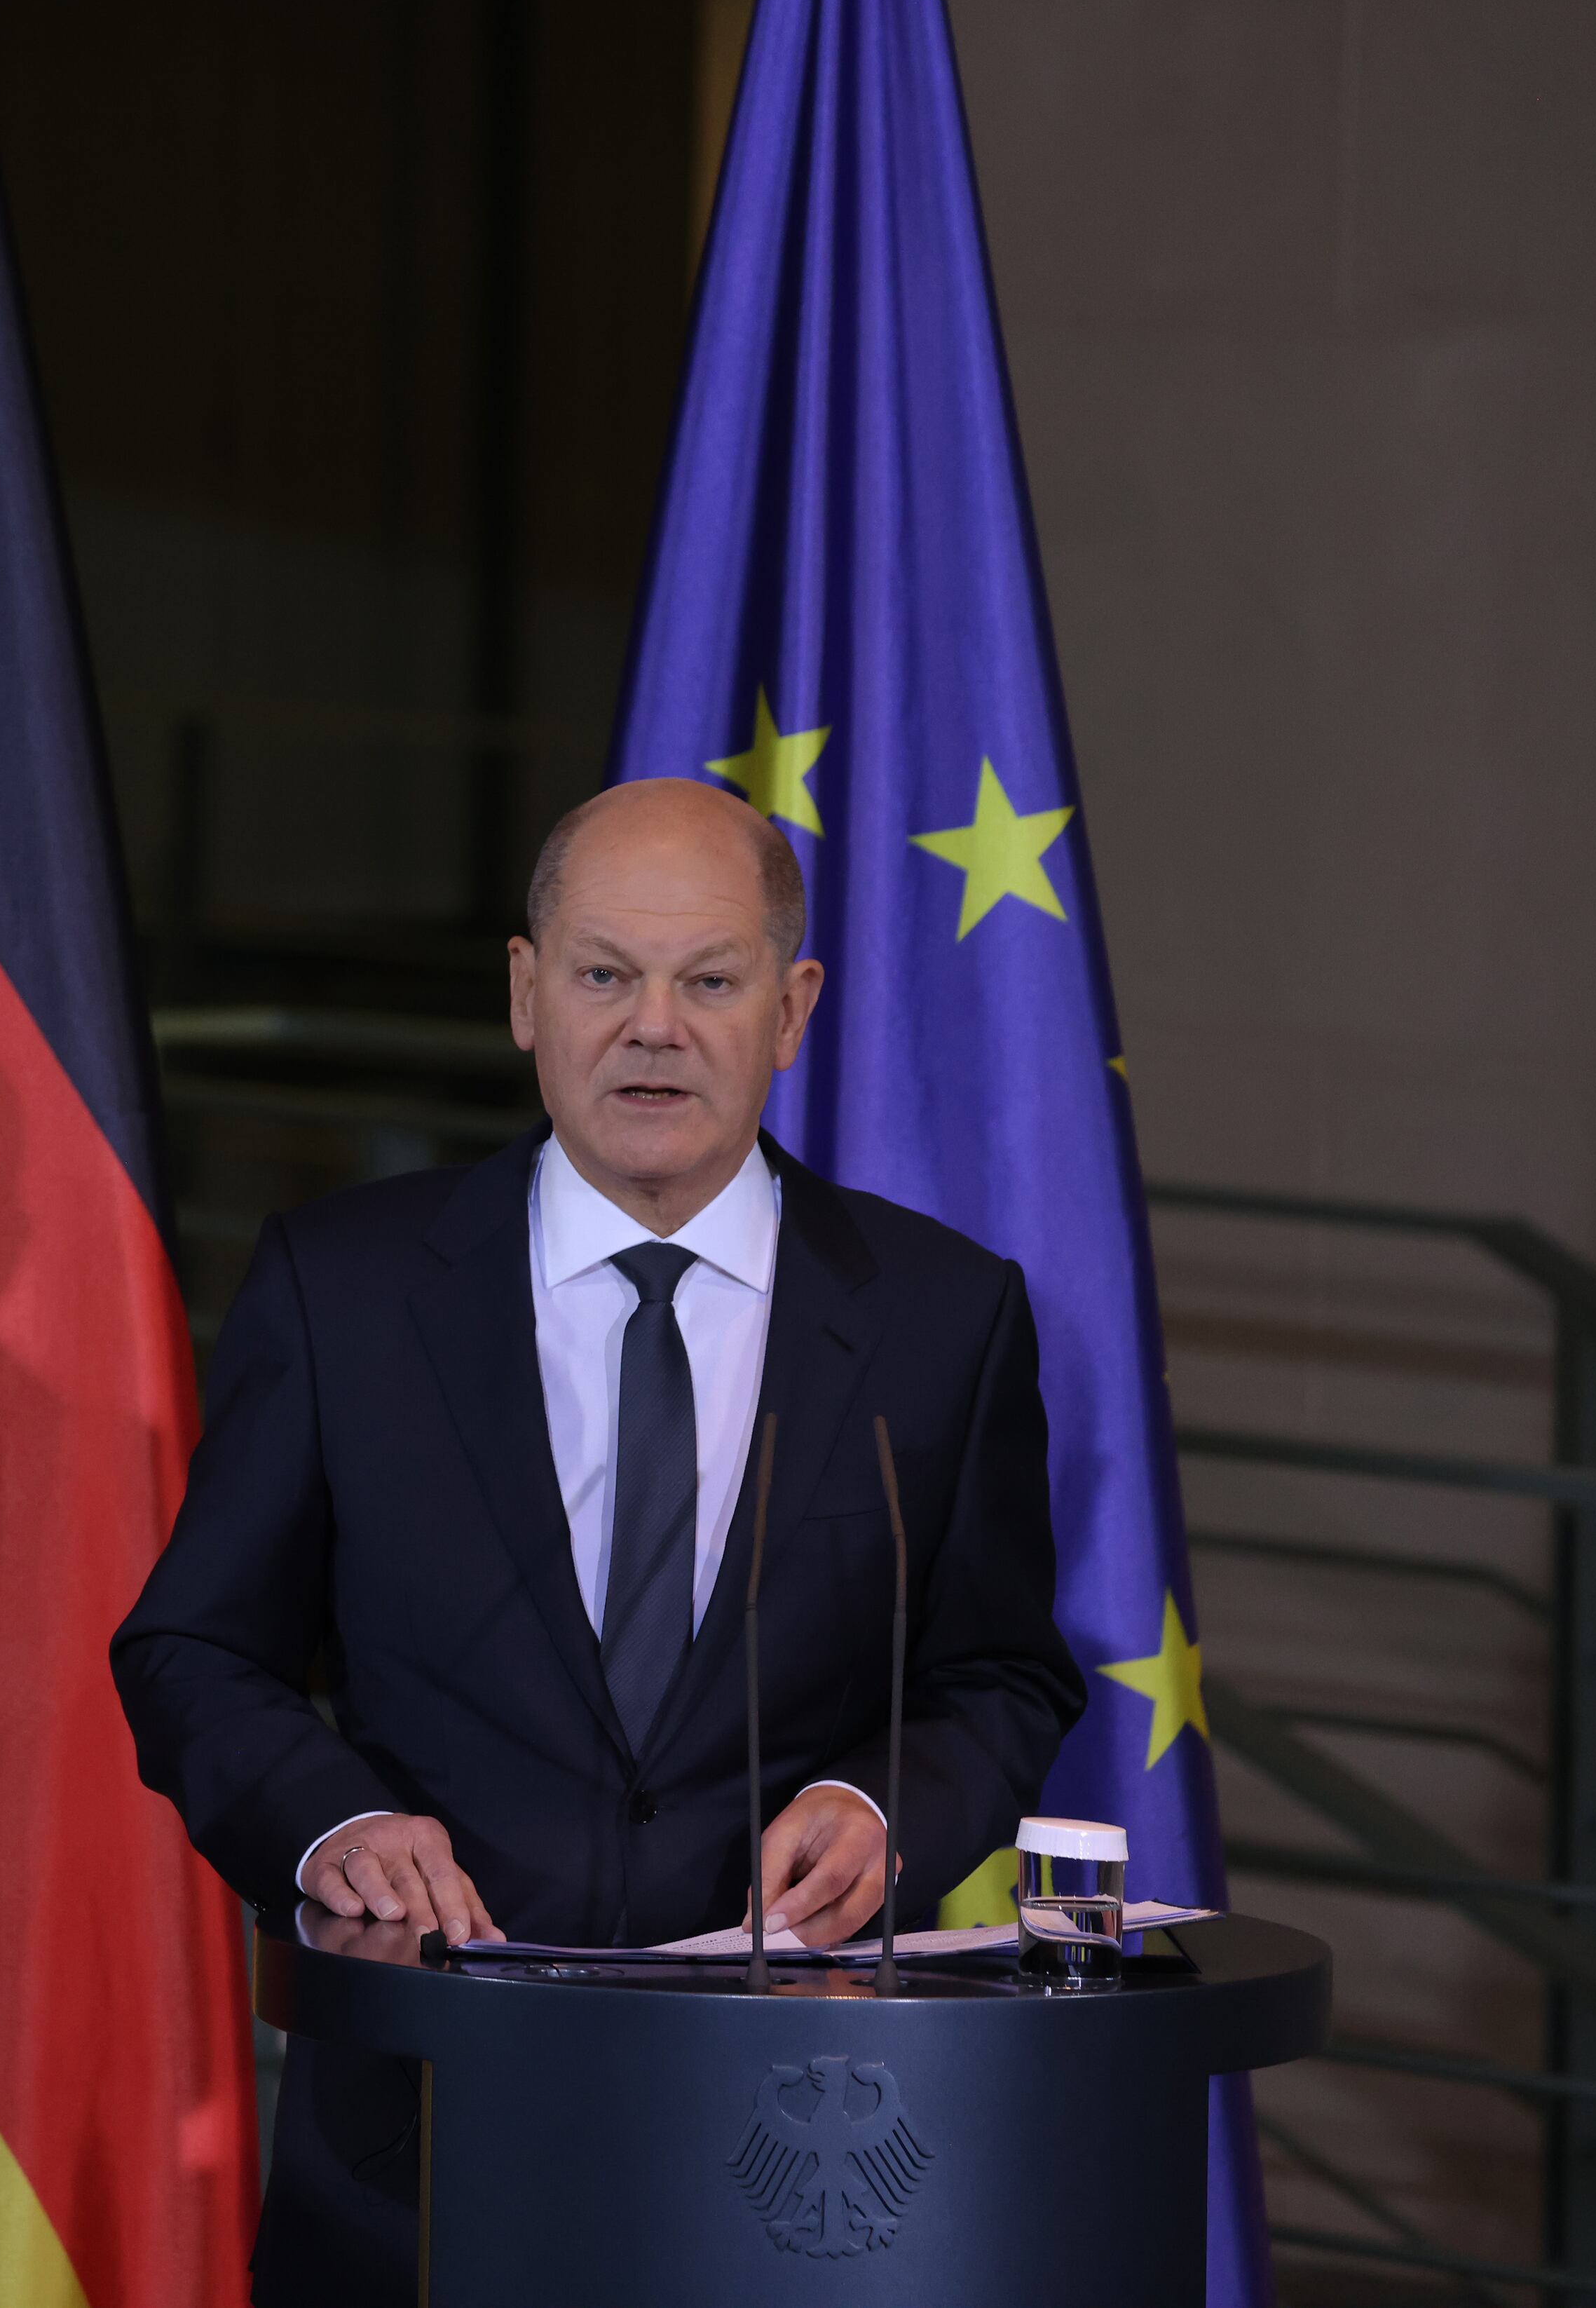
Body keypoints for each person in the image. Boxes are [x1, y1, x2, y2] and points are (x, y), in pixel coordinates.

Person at [111, 777, 1084, 2302]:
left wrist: (876, 1801)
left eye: (709, 980)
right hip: (419, 2147)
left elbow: (1003, 1674)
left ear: (791, 1006)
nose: (653, 1026)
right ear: (523, 992)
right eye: (603, 974)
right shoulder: (345, 1288)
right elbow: (193, 1647)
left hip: (798, 2149)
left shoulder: (942, 1317)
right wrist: (329, 1826)